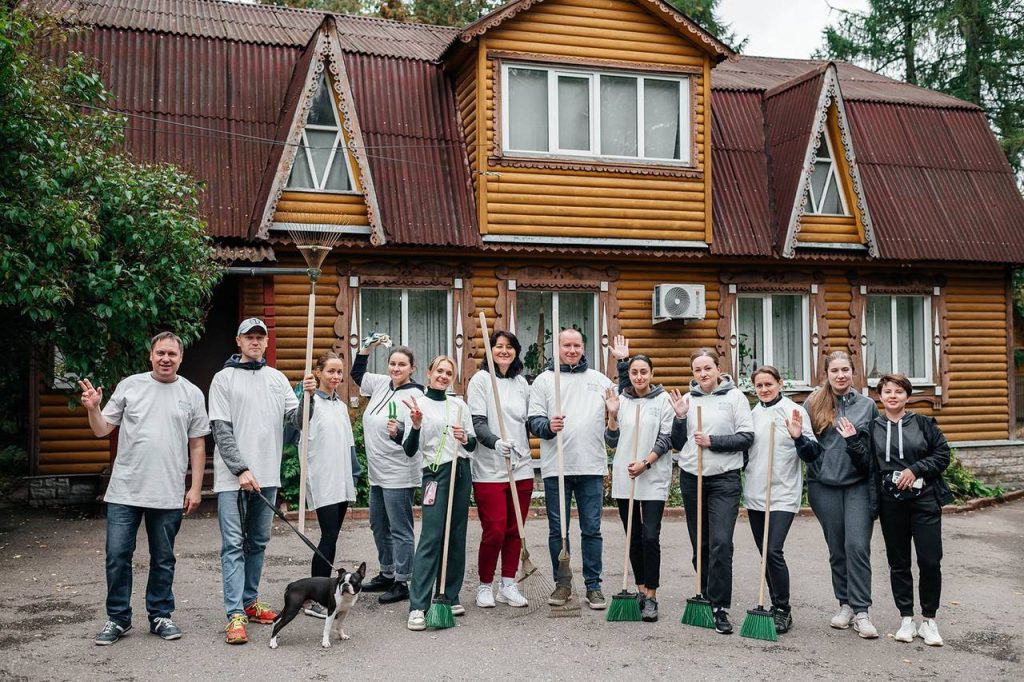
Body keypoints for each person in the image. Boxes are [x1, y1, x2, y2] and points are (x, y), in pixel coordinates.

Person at [81, 331, 209, 645]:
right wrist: (92, 408)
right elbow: (101, 430)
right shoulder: (130, 386)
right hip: (125, 490)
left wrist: (195, 488)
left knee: (163, 558)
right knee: (117, 556)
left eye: (172, 354)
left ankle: (160, 615)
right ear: (151, 355)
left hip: (167, 492)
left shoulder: (191, 393)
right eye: (160, 353)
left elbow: (197, 445)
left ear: (180, 358)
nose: (166, 359)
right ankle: (118, 619)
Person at [209, 317, 315, 645]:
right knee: (232, 545)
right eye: (249, 337)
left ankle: (250, 602)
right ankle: (234, 615)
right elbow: (221, 428)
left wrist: (309, 396)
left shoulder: (277, 379)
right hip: (233, 478)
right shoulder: (223, 379)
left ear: (266, 343)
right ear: (238, 341)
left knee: (257, 542)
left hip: (267, 475)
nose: (255, 342)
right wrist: (240, 468)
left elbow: (296, 420)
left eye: (260, 337)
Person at [840, 373, 953, 647]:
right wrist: (854, 442)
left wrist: (915, 470)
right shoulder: (874, 427)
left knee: (929, 560)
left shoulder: (924, 424)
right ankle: (906, 618)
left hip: (924, 500)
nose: (893, 396)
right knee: (898, 563)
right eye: (887, 391)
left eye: (899, 392)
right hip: (891, 504)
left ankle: (929, 621)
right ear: (880, 396)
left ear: (907, 396)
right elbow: (866, 464)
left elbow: (942, 455)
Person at [528, 328, 614, 610]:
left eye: (577, 345)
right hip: (557, 467)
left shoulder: (598, 380)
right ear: (559, 348)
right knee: (558, 530)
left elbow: (619, 407)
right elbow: (534, 421)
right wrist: (548, 428)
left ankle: (594, 586)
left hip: (590, 464)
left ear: (583, 347)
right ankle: (563, 583)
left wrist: (622, 368)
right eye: (567, 345)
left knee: (592, 529)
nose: (572, 350)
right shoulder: (544, 381)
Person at [603, 341, 686, 623]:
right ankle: (639, 589)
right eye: (635, 372)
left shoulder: (663, 401)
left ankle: (652, 595)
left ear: (651, 374)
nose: (639, 377)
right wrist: (612, 415)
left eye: (644, 372)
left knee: (650, 536)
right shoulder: (620, 399)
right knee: (634, 538)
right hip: (626, 476)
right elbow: (611, 441)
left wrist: (646, 463)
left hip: (652, 476)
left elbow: (667, 439)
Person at [676, 348, 754, 634]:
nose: (703, 374)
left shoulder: (735, 398)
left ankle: (720, 606)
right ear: (693, 374)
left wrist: (713, 441)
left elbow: (747, 437)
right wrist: (681, 418)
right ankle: (706, 595)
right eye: (697, 370)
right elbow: (676, 441)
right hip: (691, 477)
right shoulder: (687, 399)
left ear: (718, 368)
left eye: (708, 368)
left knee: (721, 542)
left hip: (724, 480)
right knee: (701, 544)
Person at [804, 350, 879, 638]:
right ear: (827, 374)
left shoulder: (867, 406)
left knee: (857, 546)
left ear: (853, 372)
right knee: (837, 548)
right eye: (835, 371)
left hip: (858, 484)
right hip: (824, 486)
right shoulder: (814, 402)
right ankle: (845, 604)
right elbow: (806, 443)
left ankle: (862, 611)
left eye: (845, 370)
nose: (840, 375)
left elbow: (873, 449)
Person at [745, 366, 820, 634]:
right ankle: (773, 603)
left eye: (769, 384)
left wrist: (798, 437)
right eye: (759, 386)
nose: (764, 390)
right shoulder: (752, 414)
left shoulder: (793, 411)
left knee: (773, 549)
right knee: (765, 553)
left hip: (783, 493)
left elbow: (812, 454)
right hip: (755, 492)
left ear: (780, 383)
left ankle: (783, 609)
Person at [403, 356, 477, 630]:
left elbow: (472, 446)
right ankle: (418, 606)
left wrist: (465, 438)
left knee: (456, 534)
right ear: (429, 372)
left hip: (461, 472)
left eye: (449, 373)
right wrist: (416, 425)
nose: (444, 376)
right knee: (432, 537)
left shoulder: (459, 405)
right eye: (440, 371)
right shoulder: (417, 405)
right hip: (435, 474)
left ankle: (448, 594)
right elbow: (410, 450)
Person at [350, 340, 424, 605]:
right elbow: (357, 375)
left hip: (399, 472)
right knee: (378, 524)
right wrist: (365, 349)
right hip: (377, 472)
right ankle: (387, 572)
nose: (396, 368)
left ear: (412, 368)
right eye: (393, 363)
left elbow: (417, 437)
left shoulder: (417, 396)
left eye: (402, 364)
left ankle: (403, 580)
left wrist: (400, 432)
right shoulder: (381, 384)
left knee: (400, 528)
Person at [467, 330, 533, 609]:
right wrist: (495, 443)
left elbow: (530, 421)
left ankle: (508, 584)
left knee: (514, 529)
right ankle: (485, 585)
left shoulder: (522, 384)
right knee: (494, 529)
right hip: (490, 467)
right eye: (498, 346)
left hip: (521, 466)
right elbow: (478, 423)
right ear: (490, 351)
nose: (504, 351)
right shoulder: (481, 381)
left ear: (516, 351)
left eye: (509, 347)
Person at [301, 351, 358, 619]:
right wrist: (305, 394)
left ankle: (324, 592)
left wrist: (354, 471)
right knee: (327, 536)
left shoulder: (340, 405)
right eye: (330, 371)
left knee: (333, 536)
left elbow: (348, 443)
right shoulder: (311, 403)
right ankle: (314, 595)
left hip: (342, 476)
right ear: (318, 372)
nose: (335, 376)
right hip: (323, 476)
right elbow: (293, 429)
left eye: (339, 372)